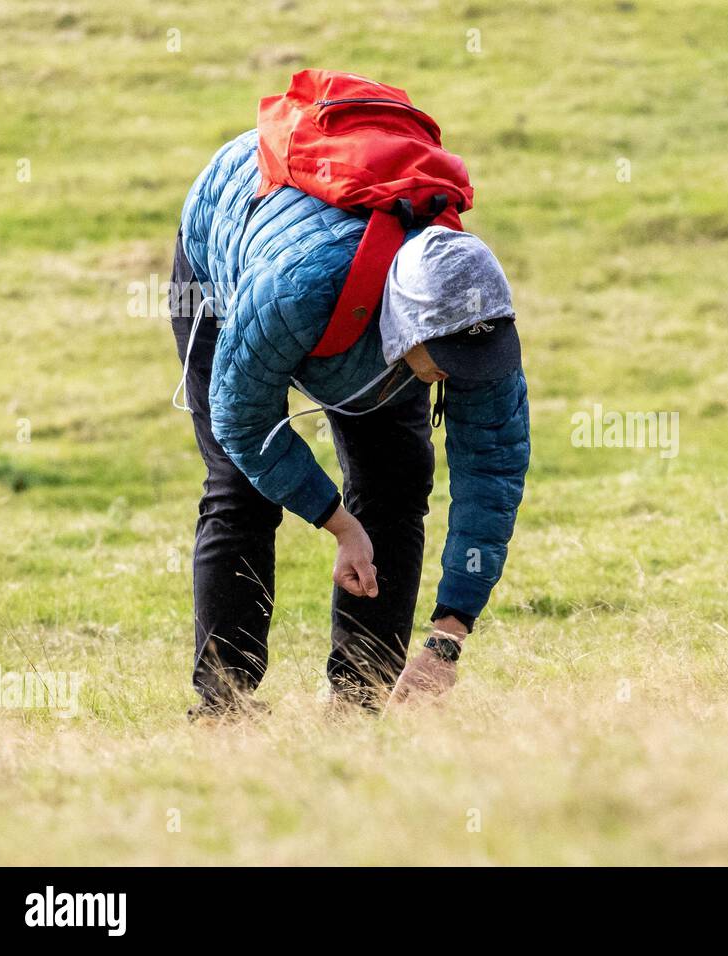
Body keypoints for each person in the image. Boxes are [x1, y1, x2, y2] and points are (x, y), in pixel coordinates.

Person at [171, 130, 529, 718]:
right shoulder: (292, 289)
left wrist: (448, 637)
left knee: (397, 481)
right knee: (242, 487)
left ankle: (359, 701)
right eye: (444, 361)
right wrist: (337, 522)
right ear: (407, 328)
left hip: (354, 315)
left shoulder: (477, 318)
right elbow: (243, 424)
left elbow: (492, 472)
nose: (454, 376)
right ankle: (223, 707)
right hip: (228, 247)